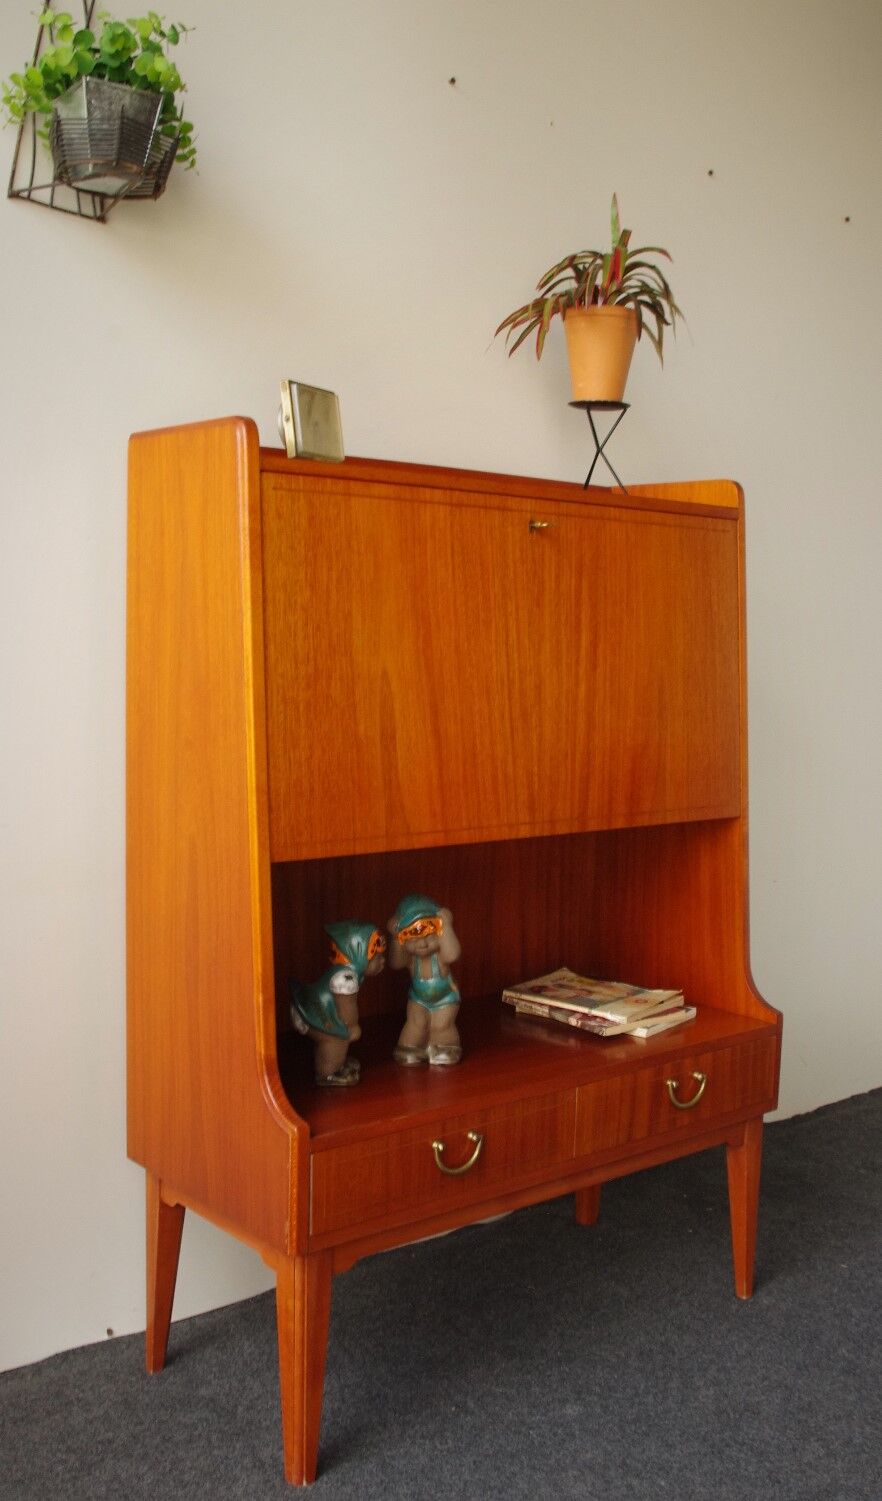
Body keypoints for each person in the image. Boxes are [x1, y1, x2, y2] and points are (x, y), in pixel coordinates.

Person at [388, 893, 462, 1066]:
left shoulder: (440, 955)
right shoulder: (411, 959)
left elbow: (453, 955)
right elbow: (395, 963)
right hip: (418, 999)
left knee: (441, 1026)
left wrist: (447, 925)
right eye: (414, 939)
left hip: (446, 998)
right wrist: (394, 937)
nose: (422, 944)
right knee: (415, 1024)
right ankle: (411, 1049)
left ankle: (445, 1048)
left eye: (429, 936)